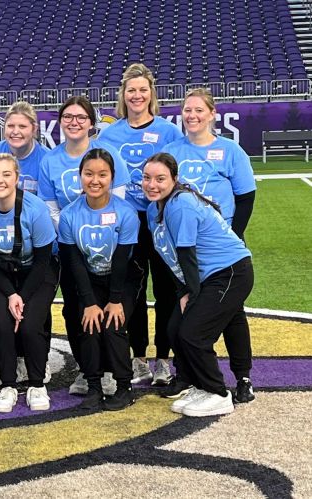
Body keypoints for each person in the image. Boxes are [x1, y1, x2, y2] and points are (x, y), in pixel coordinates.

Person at [161, 88, 257, 403]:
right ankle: (187, 375)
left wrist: (230, 234)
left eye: (199, 110)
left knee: (230, 312)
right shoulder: (173, 150)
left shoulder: (230, 151)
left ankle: (243, 378)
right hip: (186, 247)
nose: (192, 116)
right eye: (187, 110)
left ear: (212, 114)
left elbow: (245, 198)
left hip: (221, 246)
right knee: (188, 309)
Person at [142, 152, 254, 417]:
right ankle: (200, 385)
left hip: (230, 273)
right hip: (206, 276)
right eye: (147, 178)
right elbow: (170, 256)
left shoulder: (180, 205)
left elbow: (186, 254)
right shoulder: (153, 208)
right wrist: (184, 291)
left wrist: (191, 293)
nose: (152, 184)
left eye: (160, 178)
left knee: (193, 333)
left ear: (174, 179)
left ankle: (218, 393)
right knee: (175, 328)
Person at [98, 64, 184, 386]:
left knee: (165, 291)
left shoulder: (168, 131)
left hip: (160, 220)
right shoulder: (110, 134)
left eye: (142, 89)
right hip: (126, 224)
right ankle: (138, 359)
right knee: (131, 292)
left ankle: (163, 358)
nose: (137, 95)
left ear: (152, 94)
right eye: (131, 90)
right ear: (124, 95)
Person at [37, 95, 130, 395]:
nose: (74, 122)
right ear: (60, 122)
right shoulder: (50, 160)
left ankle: (118, 370)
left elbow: (119, 202)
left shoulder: (108, 153)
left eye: (81, 117)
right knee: (76, 311)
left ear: (91, 122)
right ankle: (87, 369)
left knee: (113, 310)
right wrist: (72, 232)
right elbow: (49, 207)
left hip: (109, 247)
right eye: (68, 117)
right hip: (70, 246)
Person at [0, 153, 58, 412]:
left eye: (7, 174)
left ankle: (37, 384)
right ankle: (8, 385)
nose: (0, 180)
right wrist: (10, 294)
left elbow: (43, 259)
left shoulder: (35, 208)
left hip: (37, 272)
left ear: (17, 178)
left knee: (31, 324)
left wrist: (23, 295)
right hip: (1, 274)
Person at [58, 148, 142, 411]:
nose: (95, 180)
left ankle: (124, 386)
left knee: (113, 325)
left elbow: (121, 260)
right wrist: (89, 302)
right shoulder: (70, 215)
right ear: (79, 176)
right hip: (90, 277)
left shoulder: (126, 213)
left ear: (112, 177)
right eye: (89, 174)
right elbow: (74, 262)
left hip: (123, 278)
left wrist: (115, 300)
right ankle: (93, 386)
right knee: (89, 323)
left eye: (102, 174)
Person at [0, 101, 49, 196]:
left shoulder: (46, 159)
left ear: (34, 129)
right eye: (11, 126)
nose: (15, 131)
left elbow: (48, 203)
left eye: (22, 126)